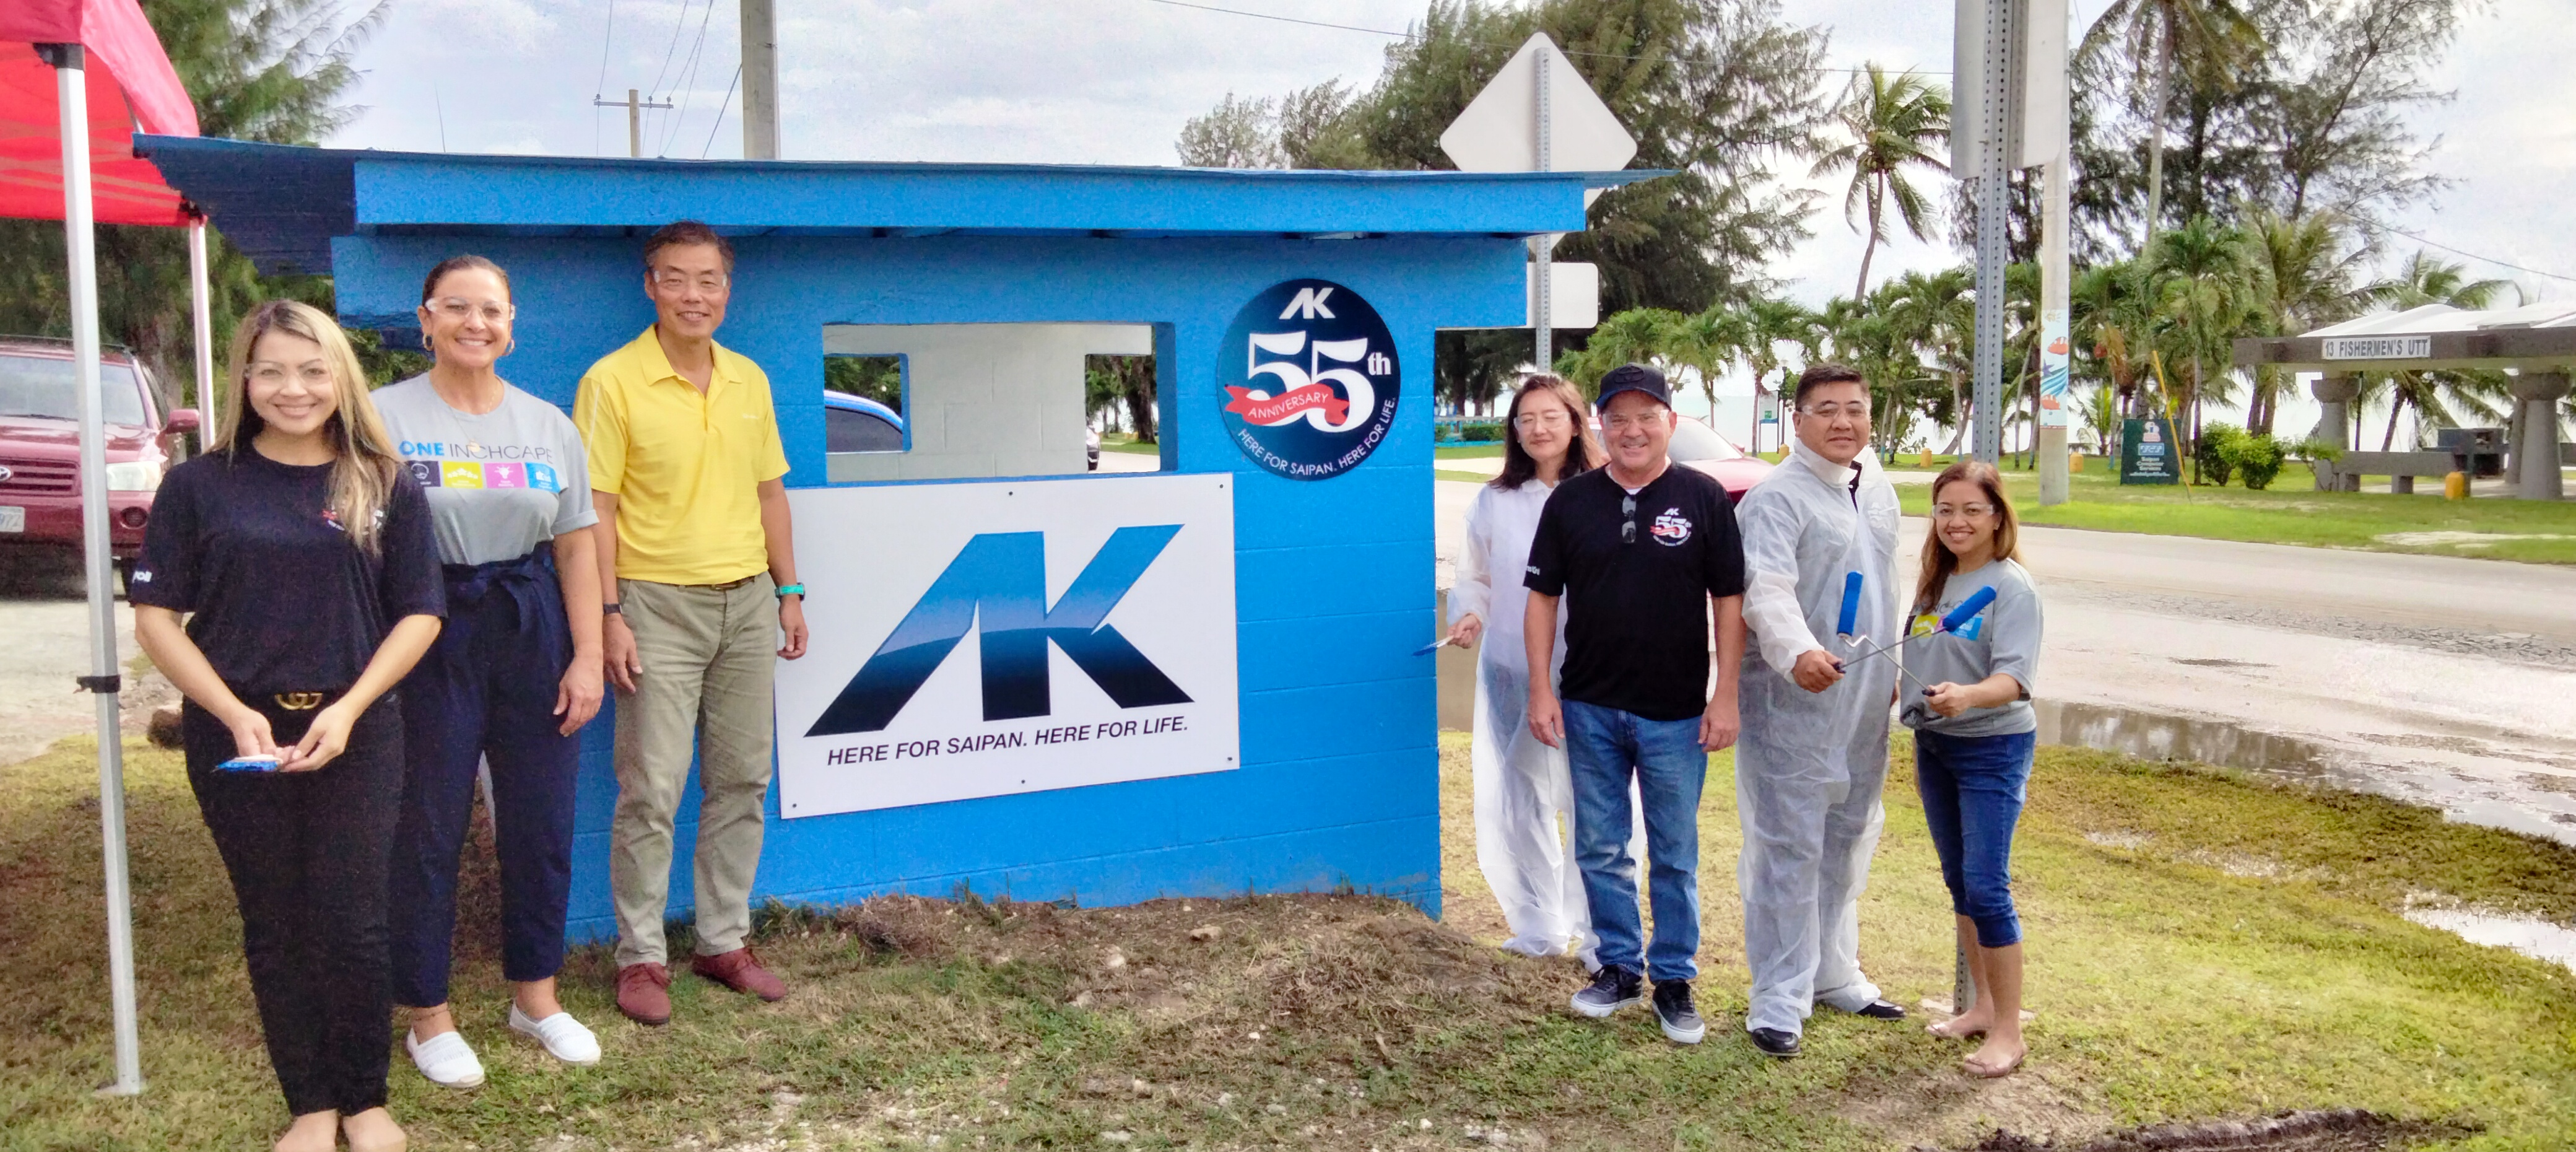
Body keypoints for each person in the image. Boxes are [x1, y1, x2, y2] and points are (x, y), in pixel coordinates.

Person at [131, 300, 444, 1152]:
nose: (292, 388)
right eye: (271, 369)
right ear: (243, 378)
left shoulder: (383, 479)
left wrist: (348, 710)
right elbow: (156, 614)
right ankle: (310, 1103)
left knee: (353, 921)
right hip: (238, 740)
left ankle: (366, 1099)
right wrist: (232, 715)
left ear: (340, 376)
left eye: (311, 370)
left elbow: (420, 614)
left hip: (356, 731)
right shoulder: (201, 484)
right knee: (275, 922)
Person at [376, 255, 606, 1088]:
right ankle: (427, 1015)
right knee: (428, 825)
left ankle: (535, 997)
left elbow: (579, 544)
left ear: (513, 324)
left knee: (541, 821)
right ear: (425, 318)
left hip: (529, 616)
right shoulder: (380, 416)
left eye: (493, 311)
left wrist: (585, 655)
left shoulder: (549, 425)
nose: (477, 324)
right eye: (458, 308)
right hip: (426, 625)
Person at [575, 220, 809, 1026]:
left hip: (748, 603)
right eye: (675, 278)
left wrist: (790, 590)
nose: (693, 295)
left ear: (726, 289)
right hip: (653, 605)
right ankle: (642, 959)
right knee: (653, 789)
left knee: (744, 779)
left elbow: (770, 493)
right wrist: (608, 614)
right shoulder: (612, 381)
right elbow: (594, 509)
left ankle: (722, 941)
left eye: (707, 279)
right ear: (650, 285)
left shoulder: (748, 380)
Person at [1523, 364, 1746, 1046]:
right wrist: (1541, 688)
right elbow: (1541, 599)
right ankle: (1618, 967)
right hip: (1588, 705)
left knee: (1674, 852)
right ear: (1599, 426)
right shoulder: (1569, 501)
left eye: (1646, 416)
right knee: (1599, 846)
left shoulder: (1703, 497)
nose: (1632, 430)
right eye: (1617, 418)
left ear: (1669, 425)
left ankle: (1673, 978)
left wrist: (1725, 695)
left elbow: (1728, 603)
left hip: (1676, 713)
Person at [1733, 362, 1909, 1059]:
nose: (1843, 422)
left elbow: (1885, 583)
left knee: (1850, 829)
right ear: (1797, 420)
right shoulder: (1777, 498)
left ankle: (1832, 970)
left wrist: (1894, 668)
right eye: (1826, 409)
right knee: (1788, 843)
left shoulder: (1876, 488)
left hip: (1864, 693)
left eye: (1855, 409)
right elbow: (1764, 588)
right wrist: (1795, 650)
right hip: (1794, 697)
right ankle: (1777, 995)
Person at [1445, 375, 1640, 964]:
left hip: (1593, 671)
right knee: (1521, 796)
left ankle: (1598, 929)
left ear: (1577, 422)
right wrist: (1471, 616)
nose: (1538, 429)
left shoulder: (1610, 494)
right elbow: (1474, 574)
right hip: (1512, 667)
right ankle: (1539, 923)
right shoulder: (1496, 499)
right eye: (1525, 419)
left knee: (1595, 800)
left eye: (1550, 417)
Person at [1904, 460, 2043, 1078]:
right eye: (1945, 510)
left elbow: (2014, 680)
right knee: (1960, 883)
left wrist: (1965, 696)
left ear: (1995, 518)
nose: (1956, 522)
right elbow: (1922, 652)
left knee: (1987, 888)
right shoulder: (1936, 582)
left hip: (1991, 748)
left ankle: (2008, 1034)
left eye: (1970, 510)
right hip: (1935, 745)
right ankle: (1981, 1007)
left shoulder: (2010, 587)